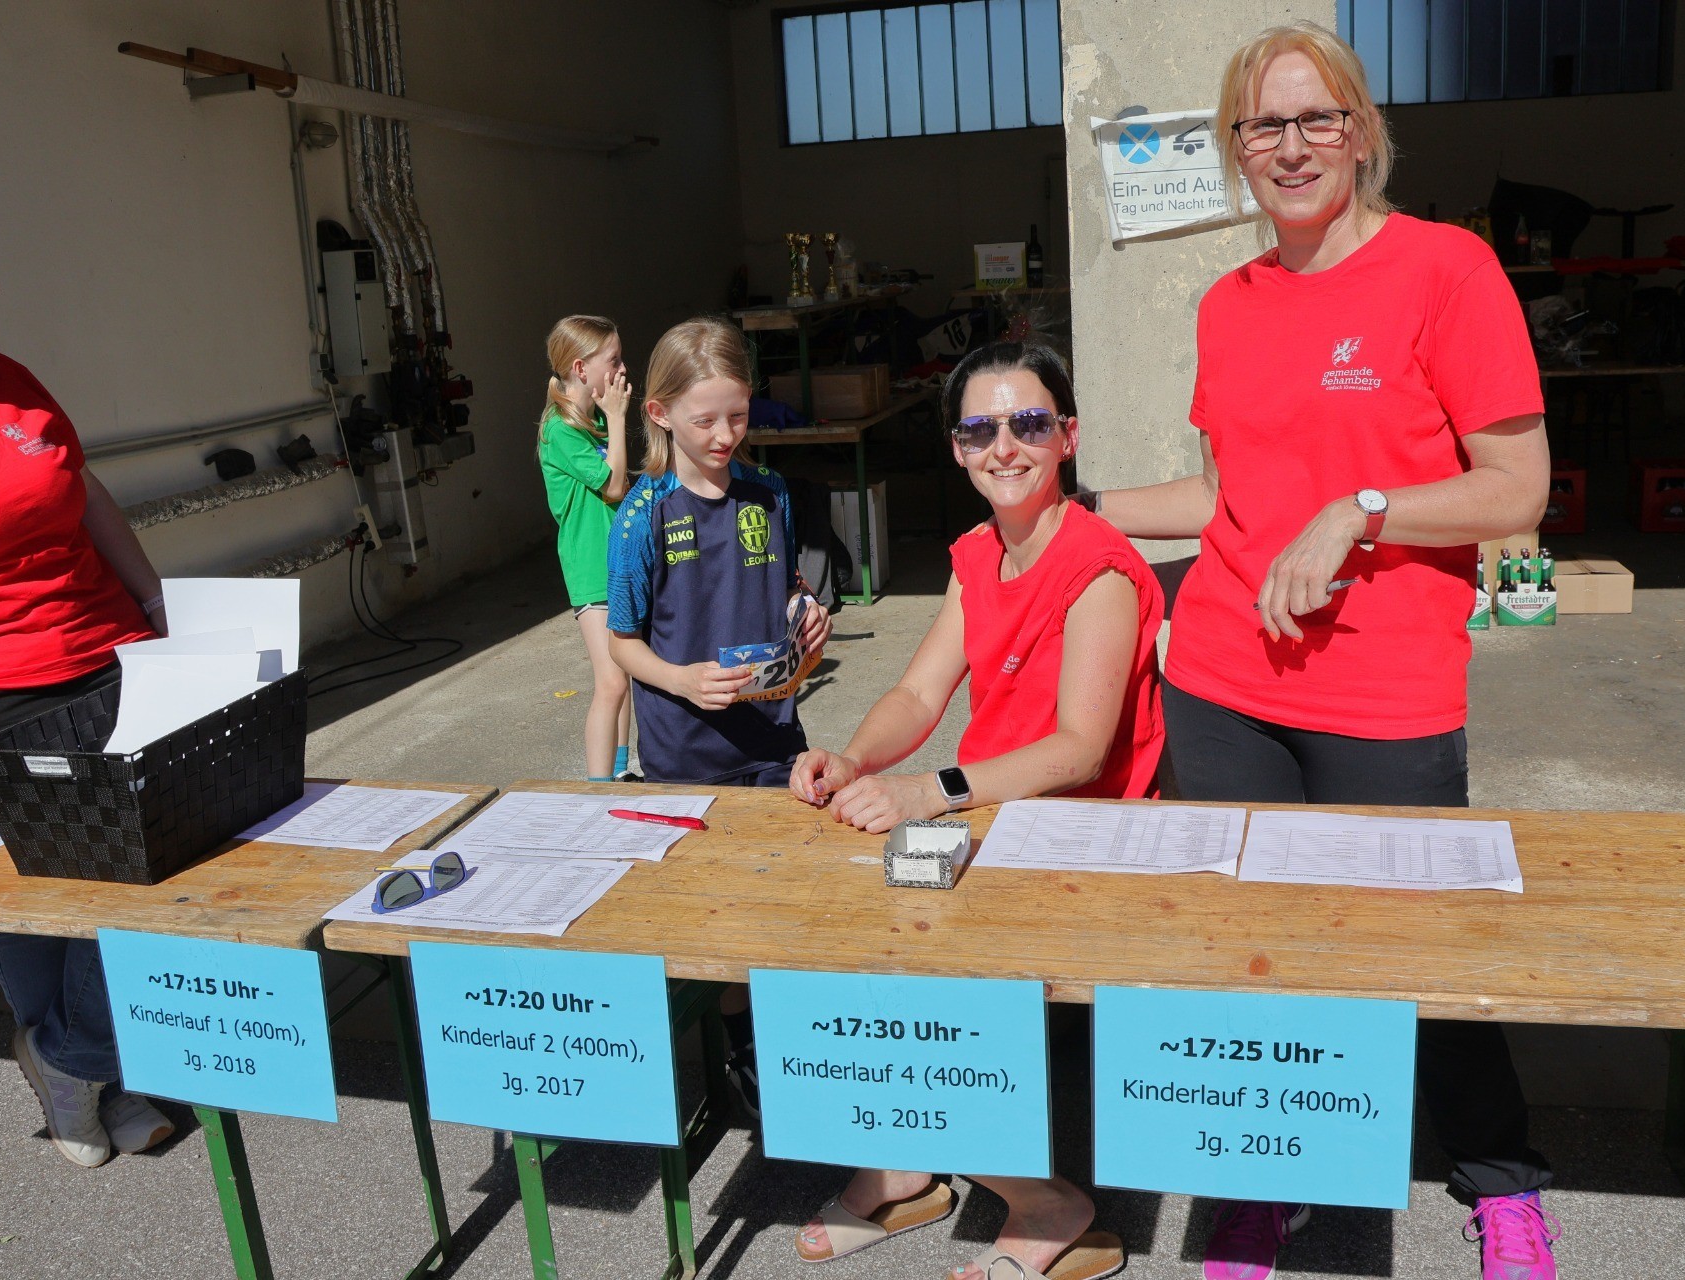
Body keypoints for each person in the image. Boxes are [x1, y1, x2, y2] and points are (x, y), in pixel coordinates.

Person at [1080, 23, 1558, 1280]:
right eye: (1262, 126)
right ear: (1235, 151)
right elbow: (1231, 496)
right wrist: (1077, 504)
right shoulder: (1227, 304)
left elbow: (1516, 489)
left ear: (1361, 129)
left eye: (1315, 119)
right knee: (1254, 950)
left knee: (1421, 948)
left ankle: (1500, 1181)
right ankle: (1259, 1179)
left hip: (1387, 688)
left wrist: (1370, 508)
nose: (1290, 148)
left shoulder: (1446, 271)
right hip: (1226, 682)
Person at [786, 341, 1160, 1280]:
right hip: (998, 820)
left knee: (927, 979)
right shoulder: (976, 555)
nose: (1006, 446)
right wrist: (852, 756)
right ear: (956, 448)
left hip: (1086, 829)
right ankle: (904, 1165)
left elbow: (1081, 748)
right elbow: (918, 695)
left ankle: (1046, 1202)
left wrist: (925, 791)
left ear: (1067, 437)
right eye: (980, 428)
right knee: (830, 937)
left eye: (1030, 423)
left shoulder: (1101, 569)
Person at [0, 201, 178, 1167]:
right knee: (36, 909)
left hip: (105, 662)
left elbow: (79, 487)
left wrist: (147, 592)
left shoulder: (2, 379)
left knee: (129, 892)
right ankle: (91, 1068)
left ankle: (72, 1057)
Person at [606, 316, 833, 1108]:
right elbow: (623, 642)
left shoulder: (768, 493)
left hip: (774, 738)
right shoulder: (643, 515)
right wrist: (676, 680)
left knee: (785, 897)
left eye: (737, 414)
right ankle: (741, 1050)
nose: (726, 434)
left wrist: (807, 611)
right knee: (720, 916)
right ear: (661, 413)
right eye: (705, 419)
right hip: (685, 753)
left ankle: (795, 1044)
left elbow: (786, 589)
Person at [537, 314, 637, 781]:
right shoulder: (561, 430)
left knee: (628, 676)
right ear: (581, 368)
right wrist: (618, 418)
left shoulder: (591, 418)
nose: (621, 368)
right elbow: (614, 486)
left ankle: (618, 773)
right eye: (612, 359)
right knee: (611, 680)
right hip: (590, 569)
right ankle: (597, 791)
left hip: (616, 564)